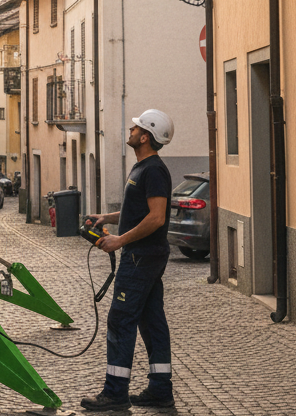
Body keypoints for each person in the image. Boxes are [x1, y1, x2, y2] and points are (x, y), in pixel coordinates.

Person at [81, 109, 176, 412]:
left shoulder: (153, 171)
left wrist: (119, 241)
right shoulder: (142, 169)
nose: (131, 130)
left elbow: (157, 217)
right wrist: (106, 217)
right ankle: (160, 390)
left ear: (145, 136)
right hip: (144, 257)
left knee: (120, 320)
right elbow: (140, 212)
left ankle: (115, 393)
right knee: (152, 321)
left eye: (136, 127)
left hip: (141, 258)